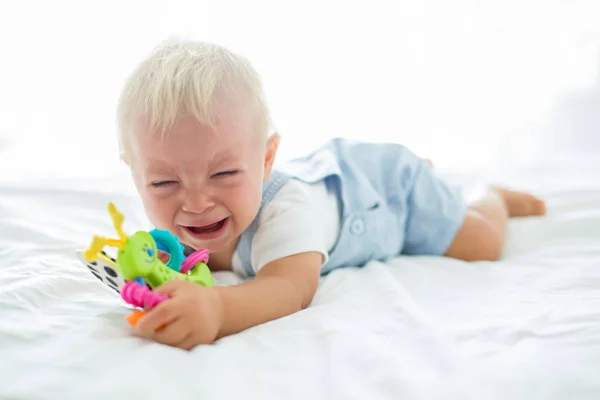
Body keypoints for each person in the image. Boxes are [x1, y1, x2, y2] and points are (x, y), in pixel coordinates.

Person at [116, 39, 546, 350]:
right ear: (134, 174)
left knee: (483, 242)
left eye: (224, 173)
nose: (196, 203)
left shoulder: (286, 213)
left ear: (266, 161)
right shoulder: (179, 228)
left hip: (389, 193)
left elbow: (288, 288)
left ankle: (490, 195)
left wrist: (216, 309)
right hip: (338, 178)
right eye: (164, 183)